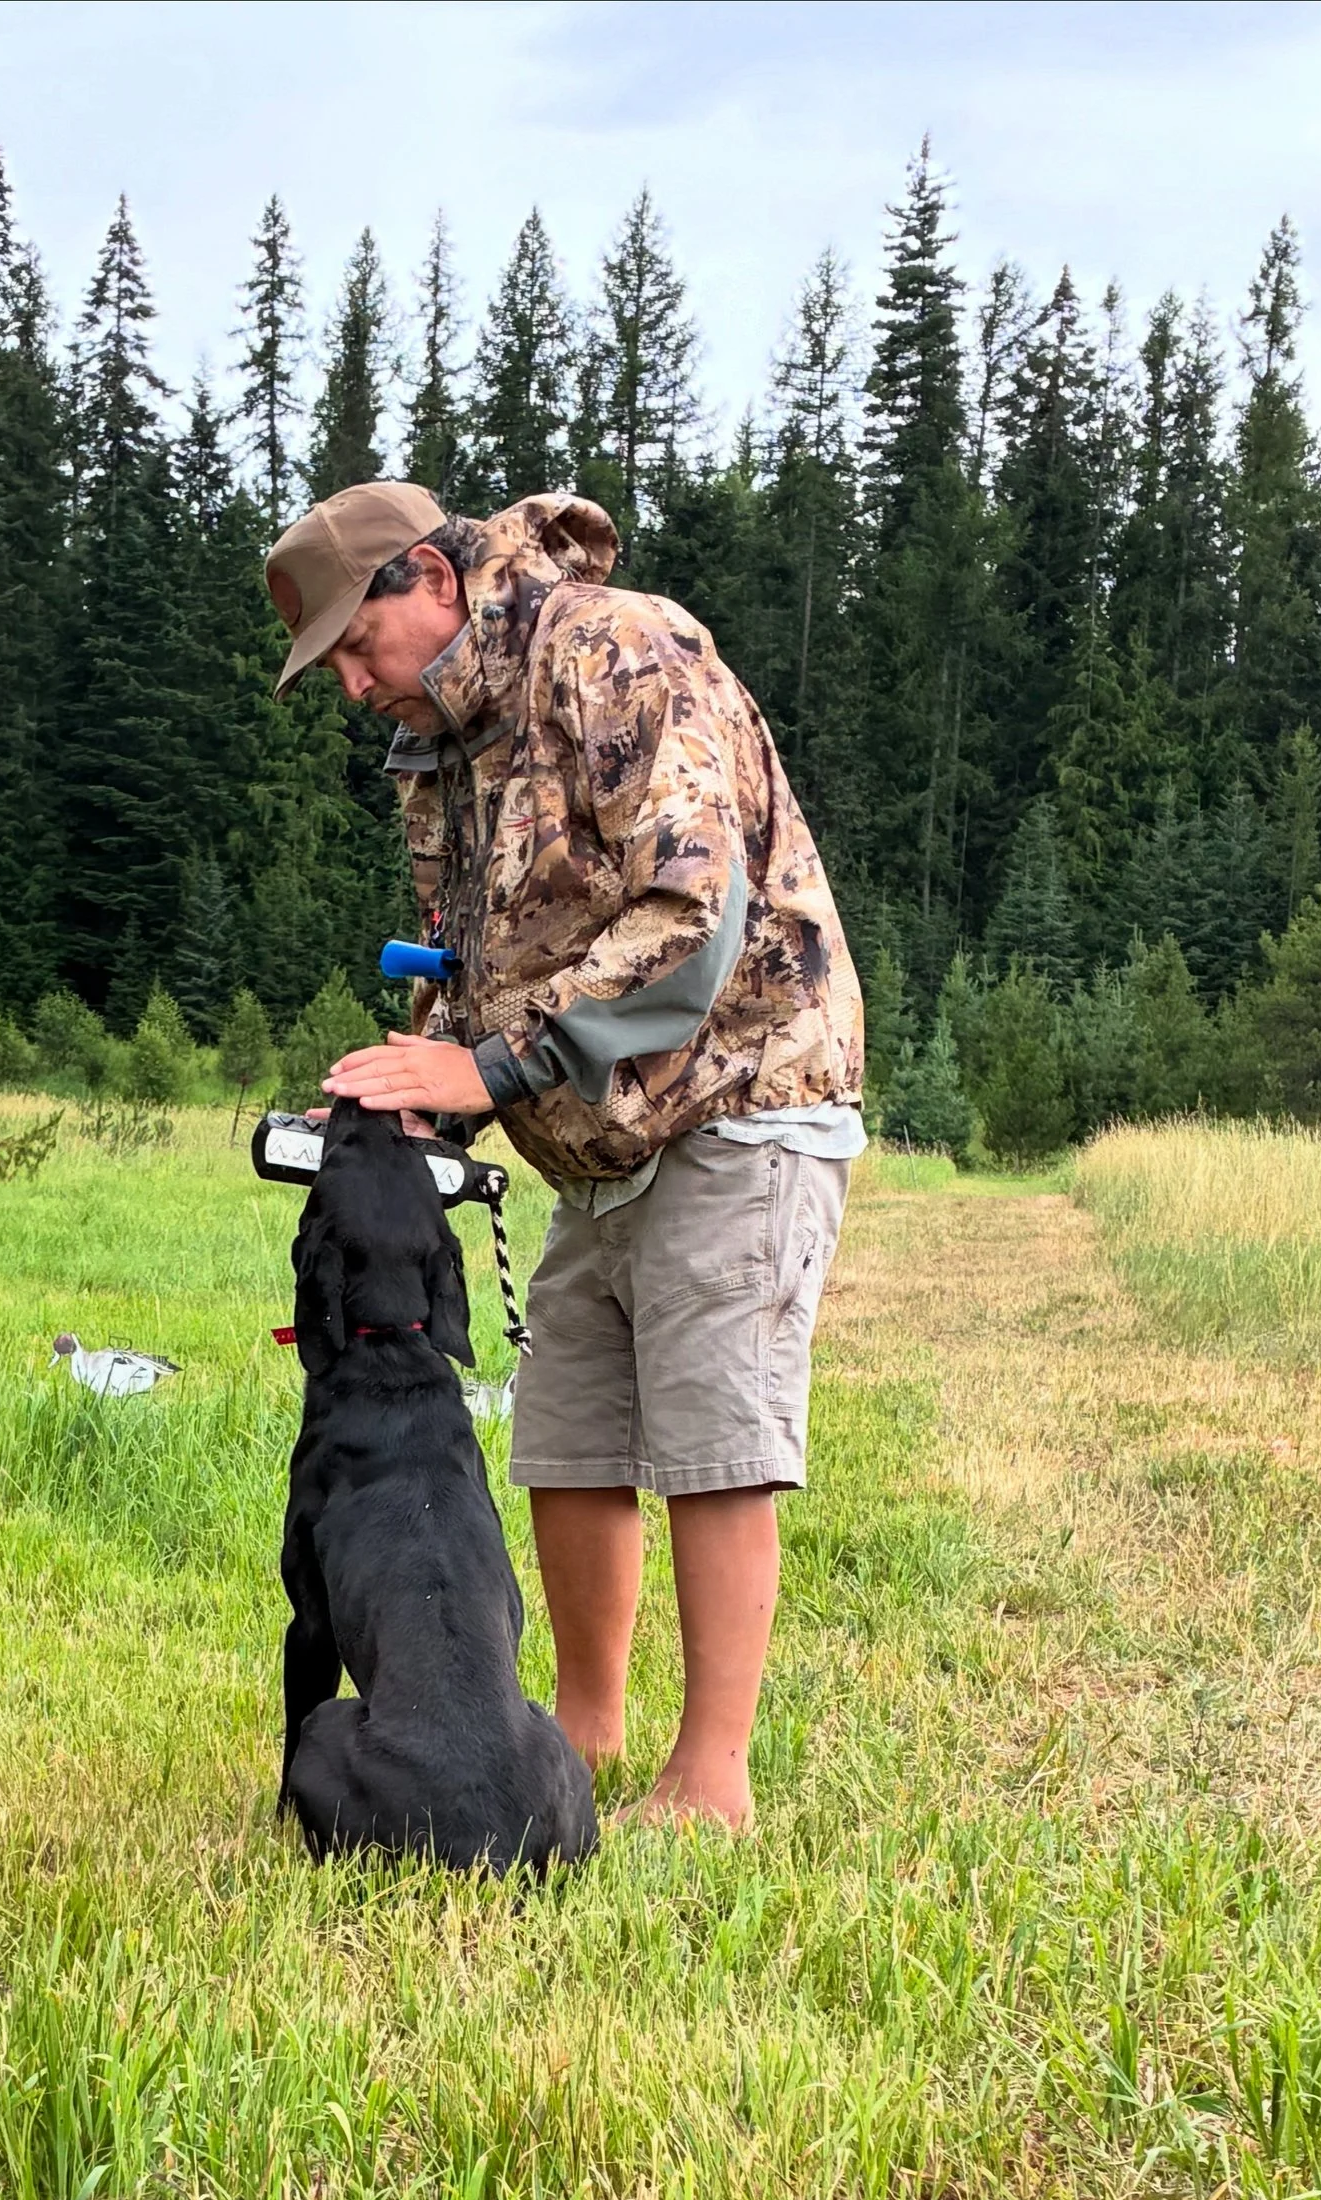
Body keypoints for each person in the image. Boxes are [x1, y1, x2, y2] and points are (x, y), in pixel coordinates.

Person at [262, 480, 865, 1834]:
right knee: (571, 1430)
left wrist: (485, 1067)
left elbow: (686, 919)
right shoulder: (456, 740)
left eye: (358, 649)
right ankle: (581, 1732)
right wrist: (436, 1073)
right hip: (597, 1131)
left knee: (715, 1428)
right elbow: (493, 954)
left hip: (740, 1088)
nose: (356, 689)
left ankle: (712, 1774)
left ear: (428, 576)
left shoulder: (614, 652)